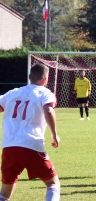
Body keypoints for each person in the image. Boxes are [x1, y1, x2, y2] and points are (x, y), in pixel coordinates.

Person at [0, 63, 60, 201]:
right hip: (31, 144)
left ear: (29, 77)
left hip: (9, 146)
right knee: (53, 184)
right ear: (45, 80)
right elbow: (49, 110)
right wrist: (54, 134)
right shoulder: (45, 93)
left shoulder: (13, 92)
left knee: (4, 192)